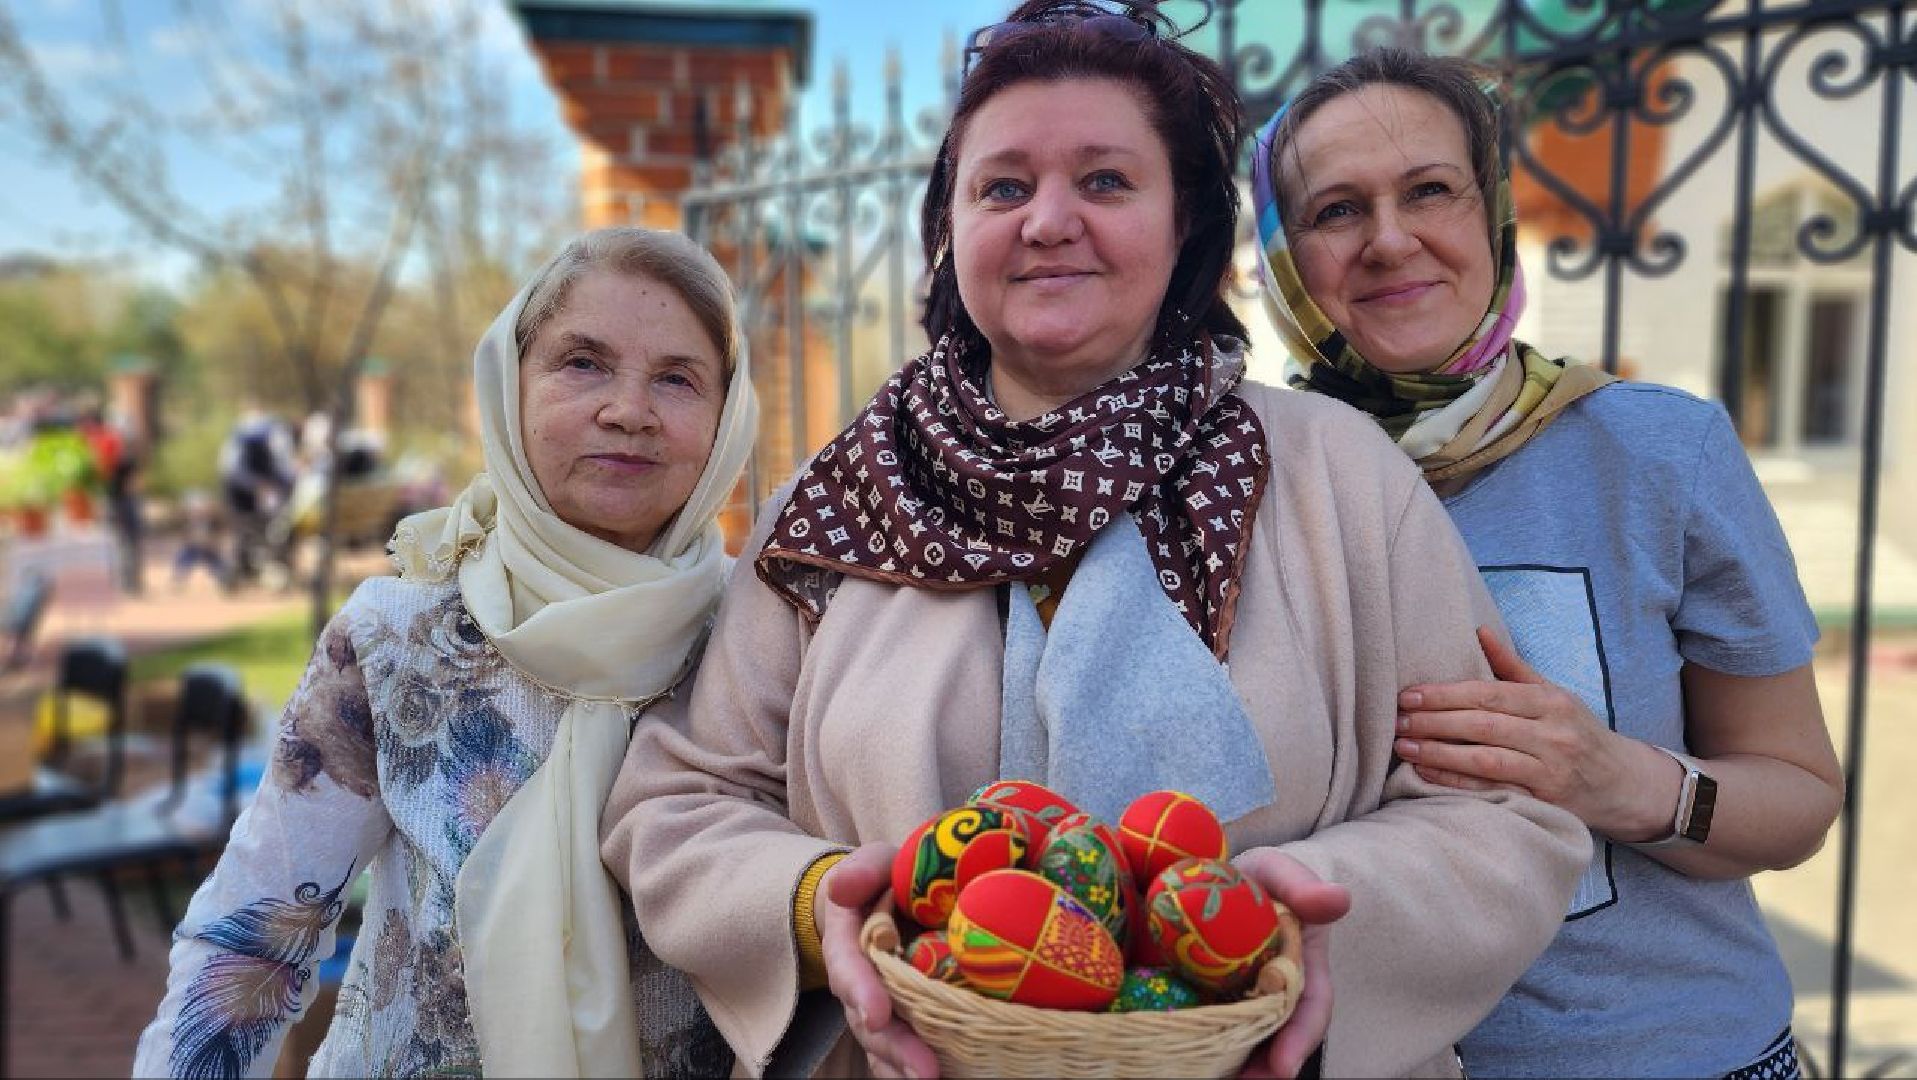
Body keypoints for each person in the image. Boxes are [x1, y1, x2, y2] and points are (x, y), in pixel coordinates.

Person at [603, 5, 1589, 1078]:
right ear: (952, 230)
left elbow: (1497, 814)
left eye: (1107, 182)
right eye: (1004, 187)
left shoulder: (1338, 475)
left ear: (1187, 229)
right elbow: (681, 806)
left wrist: (1287, 932)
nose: (1048, 221)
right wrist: (816, 906)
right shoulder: (838, 503)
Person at [1251, 48, 1843, 1079]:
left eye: (1431, 189)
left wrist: (1619, 779)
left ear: (1493, 212)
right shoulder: (1245, 486)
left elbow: (1797, 796)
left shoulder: (1658, 453)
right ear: (1280, 254)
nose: (1391, 241)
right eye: (1336, 210)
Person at [134, 226, 759, 1079]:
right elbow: (258, 930)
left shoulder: (759, 640)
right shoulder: (400, 637)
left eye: (677, 379)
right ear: (510, 385)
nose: (627, 410)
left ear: (728, 417)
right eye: (582, 363)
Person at [218, 406, 297, 587]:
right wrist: (259, 486)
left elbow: (282, 473)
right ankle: (239, 571)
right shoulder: (239, 447)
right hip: (239, 497)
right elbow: (235, 474)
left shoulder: (270, 443)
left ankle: (270, 566)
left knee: (275, 529)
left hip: (263, 499)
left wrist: (279, 486)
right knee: (243, 532)